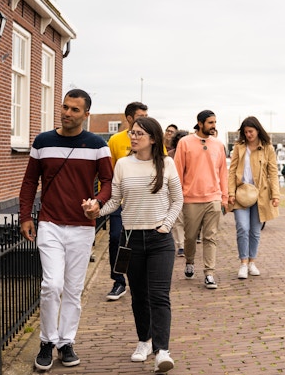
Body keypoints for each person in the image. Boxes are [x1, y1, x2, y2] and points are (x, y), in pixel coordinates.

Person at [19, 89, 113, 371]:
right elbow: (28, 182)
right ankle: (47, 341)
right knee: (52, 285)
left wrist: (97, 202)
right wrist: (26, 216)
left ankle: (66, 342)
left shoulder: (97, 144)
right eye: (65, 107)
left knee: (72, 289)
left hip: (82, 227)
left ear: (86, 115)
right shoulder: (43, 141)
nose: (67, 113)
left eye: (74, 110)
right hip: (49, 223)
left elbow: (108, 182)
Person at [88, 117, 182, 374]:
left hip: (159, 239)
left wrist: (167, 224)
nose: (133, 137)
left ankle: (162, 350)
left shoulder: (167, 163)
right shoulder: (122, 165)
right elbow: (115, 201)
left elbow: (177, 199)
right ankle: (145, 341)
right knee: (139, 295)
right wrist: (95, 210)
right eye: (132, 133)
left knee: (159, 295)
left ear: (153, 138)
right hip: (131, 240)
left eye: (139, 133)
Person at [174, 110, 228, 289]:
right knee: (190, 237)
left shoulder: (218, 145)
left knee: (210, 237)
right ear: (200, 123)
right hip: (191, 198)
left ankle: (209, 273)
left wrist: (224, 197)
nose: (214, 126)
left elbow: (223, 173)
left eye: (215, 122)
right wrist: (177, 197)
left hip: (213, 198)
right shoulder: (185, 143)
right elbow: (178, 171)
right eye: (210, 123)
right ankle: (189, 261)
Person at [105, 102, 149, 301]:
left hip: (143, 201)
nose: (145, 118)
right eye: (141, 115)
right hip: (120, 200)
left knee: (142, 240)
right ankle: (119, 281)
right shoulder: (115, 140)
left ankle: (142, 278)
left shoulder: (152, 139)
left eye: (147, 115)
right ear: (129, 118)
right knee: (116, 238)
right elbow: (108, 172)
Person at [227, 116, 280, 279]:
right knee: (243, 228)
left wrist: (275, 194)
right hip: (241, 193)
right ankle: (243, 263)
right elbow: (232, 170)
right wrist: (230, 192)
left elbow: (273, 172)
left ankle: (252, 262)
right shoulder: (239, 147)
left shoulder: (267, 148)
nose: (248, 134)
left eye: (251, 131)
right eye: (245, 132)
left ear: (257, 130)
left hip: (261, 194)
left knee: (255, 231)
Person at [169, 129, 189, 257]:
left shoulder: (192, 153)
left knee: (190, 219)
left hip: (190, 190)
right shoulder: (170, 155)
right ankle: (181, 245)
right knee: (178, 219)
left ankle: (188, 242)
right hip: (174, 190)